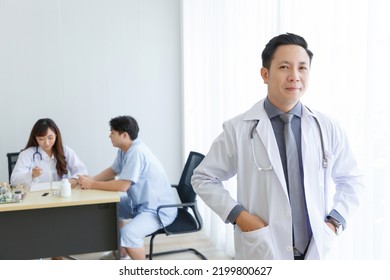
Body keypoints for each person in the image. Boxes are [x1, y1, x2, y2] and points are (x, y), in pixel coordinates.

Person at [191, 33, 364, 260]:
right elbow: (203, 178)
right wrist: (239, 216)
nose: (294, 76)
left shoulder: (327, 127)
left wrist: (335, 221)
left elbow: (352, 179)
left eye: (302, 68)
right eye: (284, 67)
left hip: (316, 248)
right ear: (265, 74)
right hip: (263, 249)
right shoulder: (239, 128)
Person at [77, 115, 177, 260]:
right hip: (141, 203)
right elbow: (113, 170)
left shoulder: (136, 152)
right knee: (110, 210)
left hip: (158, 209)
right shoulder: (125, 149)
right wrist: (91, 179)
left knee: (128, 233)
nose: (109, 135)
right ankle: (122, 254)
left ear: (124, 135)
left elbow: (122, 186)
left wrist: (92, 184)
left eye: (112, 132)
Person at [11, 118, 88, 188]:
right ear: (35, 138)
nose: (47, 143)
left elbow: (82, 170)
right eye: (41, 139)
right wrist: (31, 174)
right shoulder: (27, 154)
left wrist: (74, 179)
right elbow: (14, 181)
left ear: (56, 135)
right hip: (37, 197)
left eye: (50, 138)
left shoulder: (65, 151)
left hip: (62, 194)